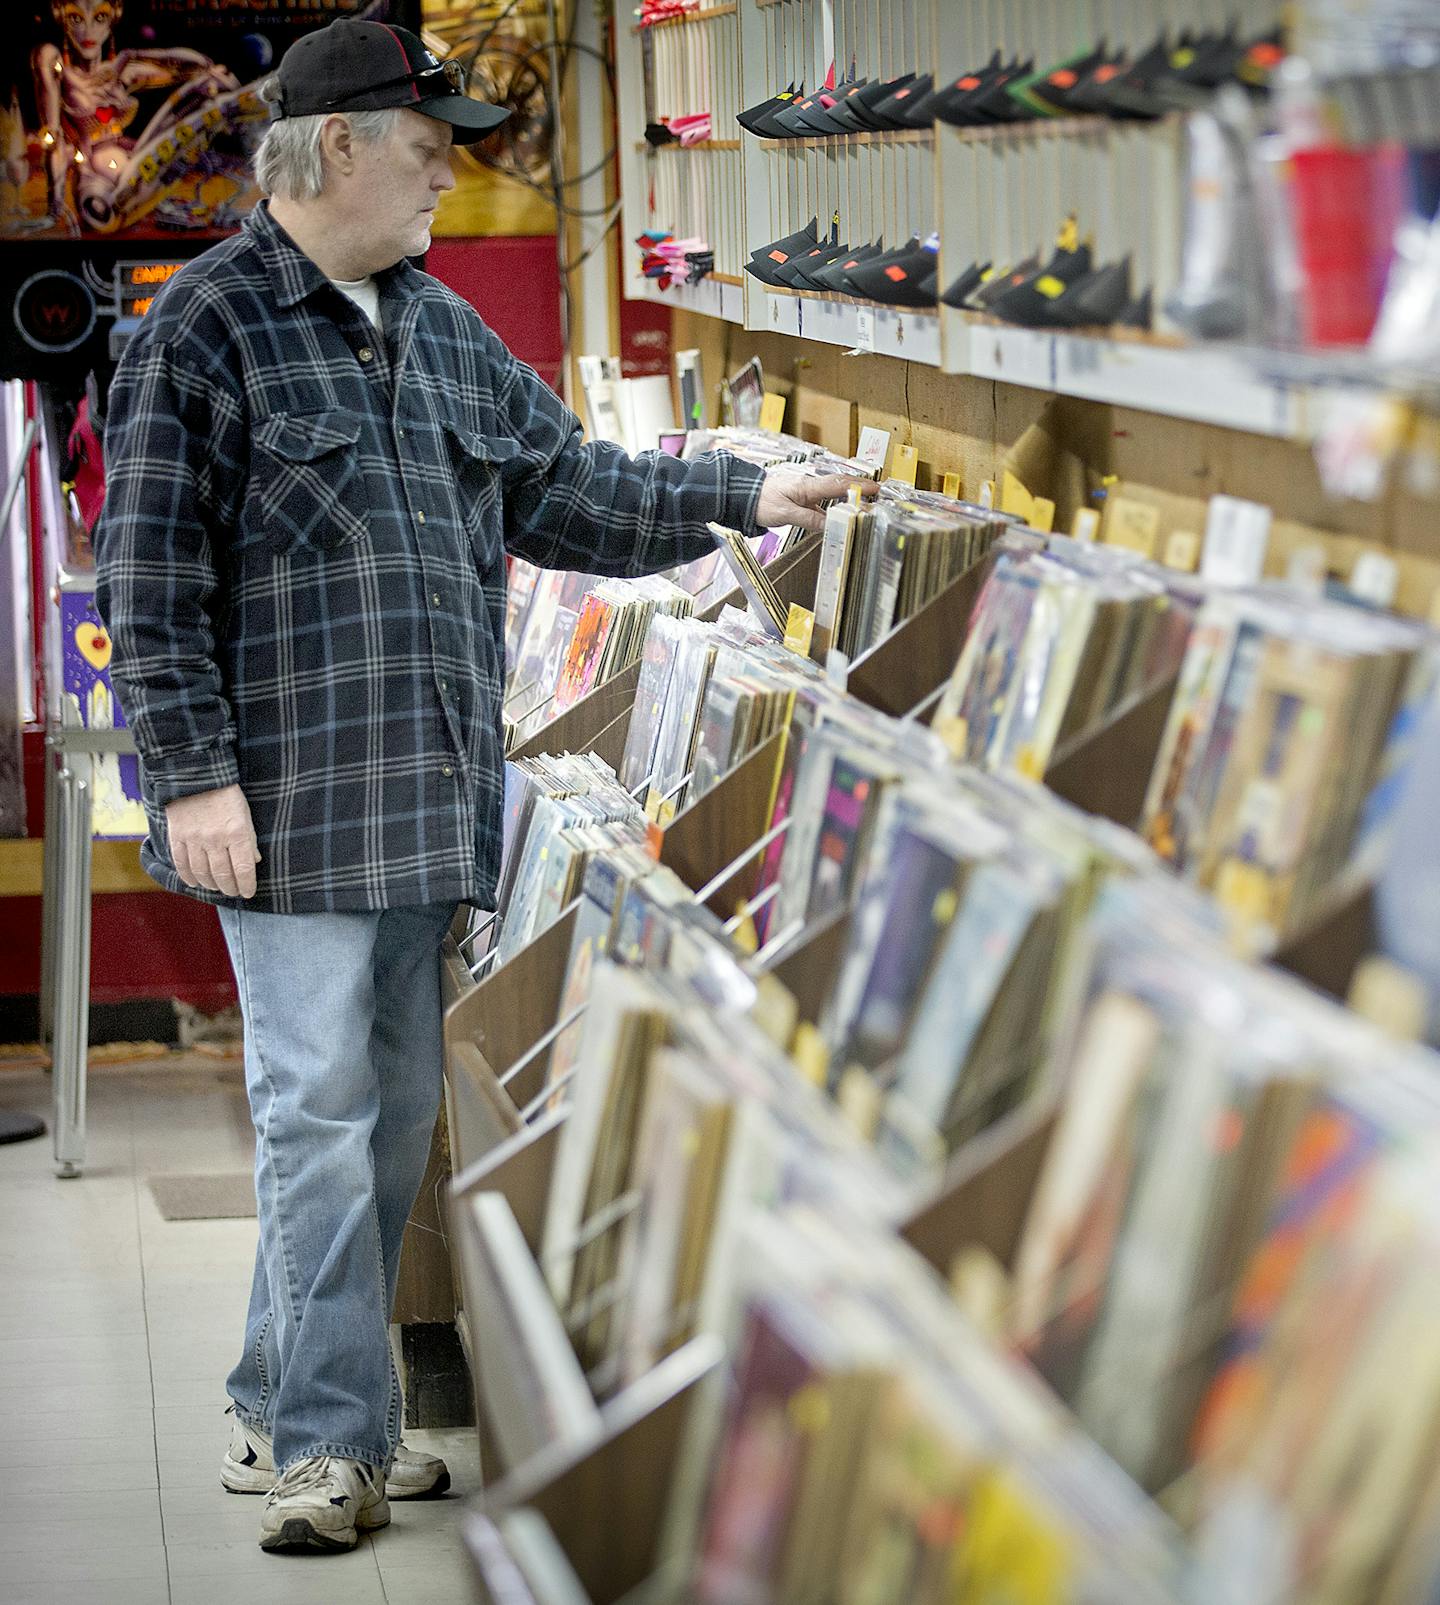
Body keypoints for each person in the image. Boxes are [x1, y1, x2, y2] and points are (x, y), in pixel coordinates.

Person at [94, 15, 855, 1558]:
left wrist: (741, 493)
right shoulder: (206, 329)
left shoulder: (437, 326)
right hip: (285, 809)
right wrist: (189, 782)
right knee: (313, 1111)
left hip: (429, 800)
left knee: (382, 1129)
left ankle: (281, 1396)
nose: (454, 175)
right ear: (343, 150)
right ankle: (330, 1447)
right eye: (431, 147)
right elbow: (150, 580)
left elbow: (572, 487)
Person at [34, 0, 255, 235]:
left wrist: (134, 54)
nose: (88, 31)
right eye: (76, 18)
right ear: (62, 20)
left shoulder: (122, 73)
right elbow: (54, 138)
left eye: (99, 18)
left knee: (211, 84)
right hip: (98, 174)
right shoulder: (62, 72)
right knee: (105, 195)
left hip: (136, 163)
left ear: (112, 20)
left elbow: (201, 65)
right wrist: (54, 209)